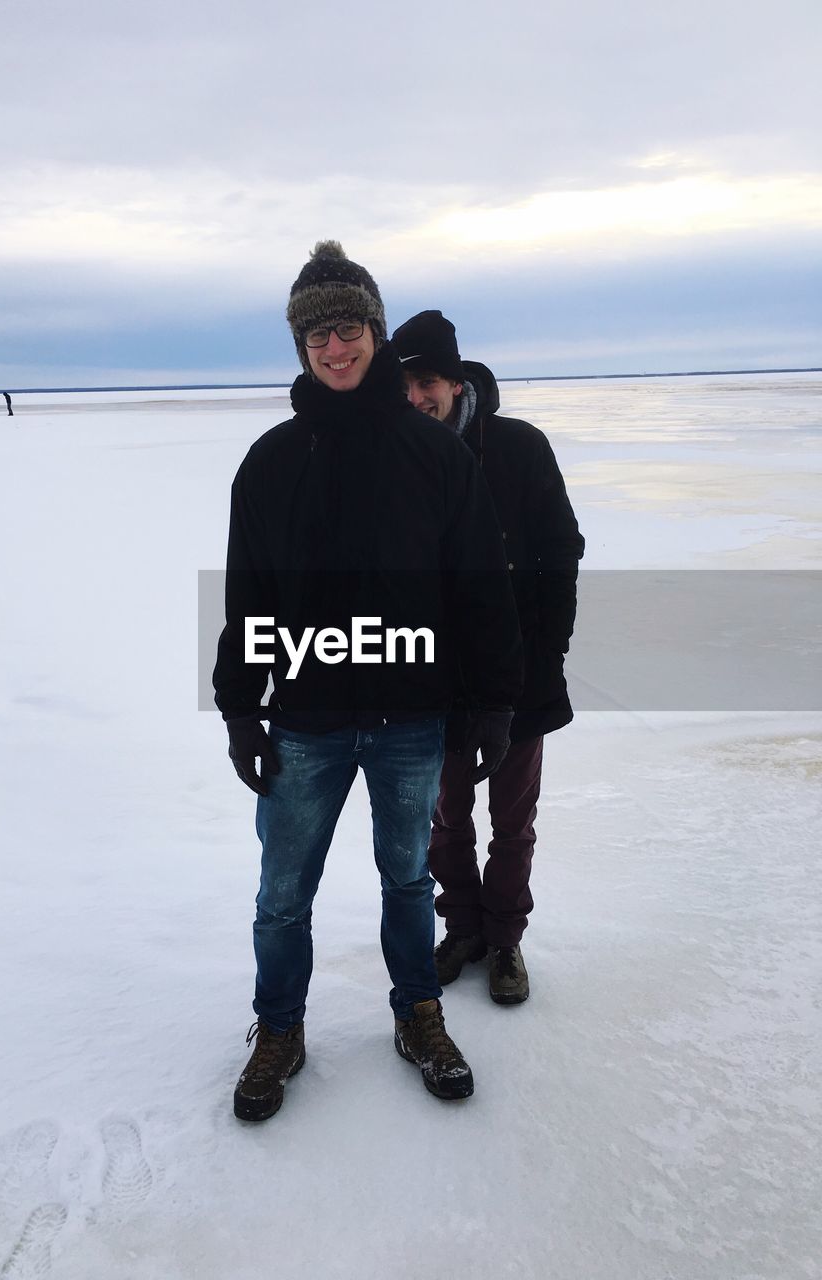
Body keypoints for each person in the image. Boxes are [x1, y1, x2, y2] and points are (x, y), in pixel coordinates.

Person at [214, 245, 522, 1121]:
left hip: (409, 719)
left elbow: (478, 590)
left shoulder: (436, 456)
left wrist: (494, 700)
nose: (333, 346)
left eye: (347, 327)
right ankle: (279, 1028)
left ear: (375, 333)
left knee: (406, 882)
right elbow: (250, 594)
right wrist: (243, 708)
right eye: (315, 333)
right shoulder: (271, 461)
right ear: (300, 347)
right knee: (282, 895)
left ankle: (417, 1014)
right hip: (308, 718)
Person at [391, 310, 584, 1006]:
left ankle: (505, 941)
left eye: (429, 382)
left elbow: (561, 549)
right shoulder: (398, 457)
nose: (418, 398)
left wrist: (549, 647)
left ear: (455, 379)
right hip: (432, 679)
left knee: (512, 819)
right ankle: (463, 927)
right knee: (445, 816)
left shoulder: (519, 448)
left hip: (520, 675)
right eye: (405, 385)